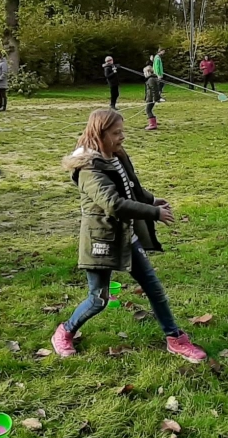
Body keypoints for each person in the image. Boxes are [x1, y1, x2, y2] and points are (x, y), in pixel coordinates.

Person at [49, 108, 206, 362]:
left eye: (122, 131)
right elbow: (114, 203)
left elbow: (130, 186)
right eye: (116, 133)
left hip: (126, 234)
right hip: (102, 240)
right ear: (100, 134)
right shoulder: (89, 168)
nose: (122, 137)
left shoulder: (116, 154)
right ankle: (65, 331)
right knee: (98, 300)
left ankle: (175, 338)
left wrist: (152, 199)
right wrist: (154, 213)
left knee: (154, 289)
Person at [143, 66, 163, 130]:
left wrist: (155, 99)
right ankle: (153, 123)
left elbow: (154, 90)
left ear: (148, 72)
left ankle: (152, 124)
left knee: (148, 110)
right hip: (150, 98)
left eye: (145, 72)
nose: (144, 74)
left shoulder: (151, 79)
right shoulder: (152, 79)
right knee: (149, 110)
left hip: (151, 98)